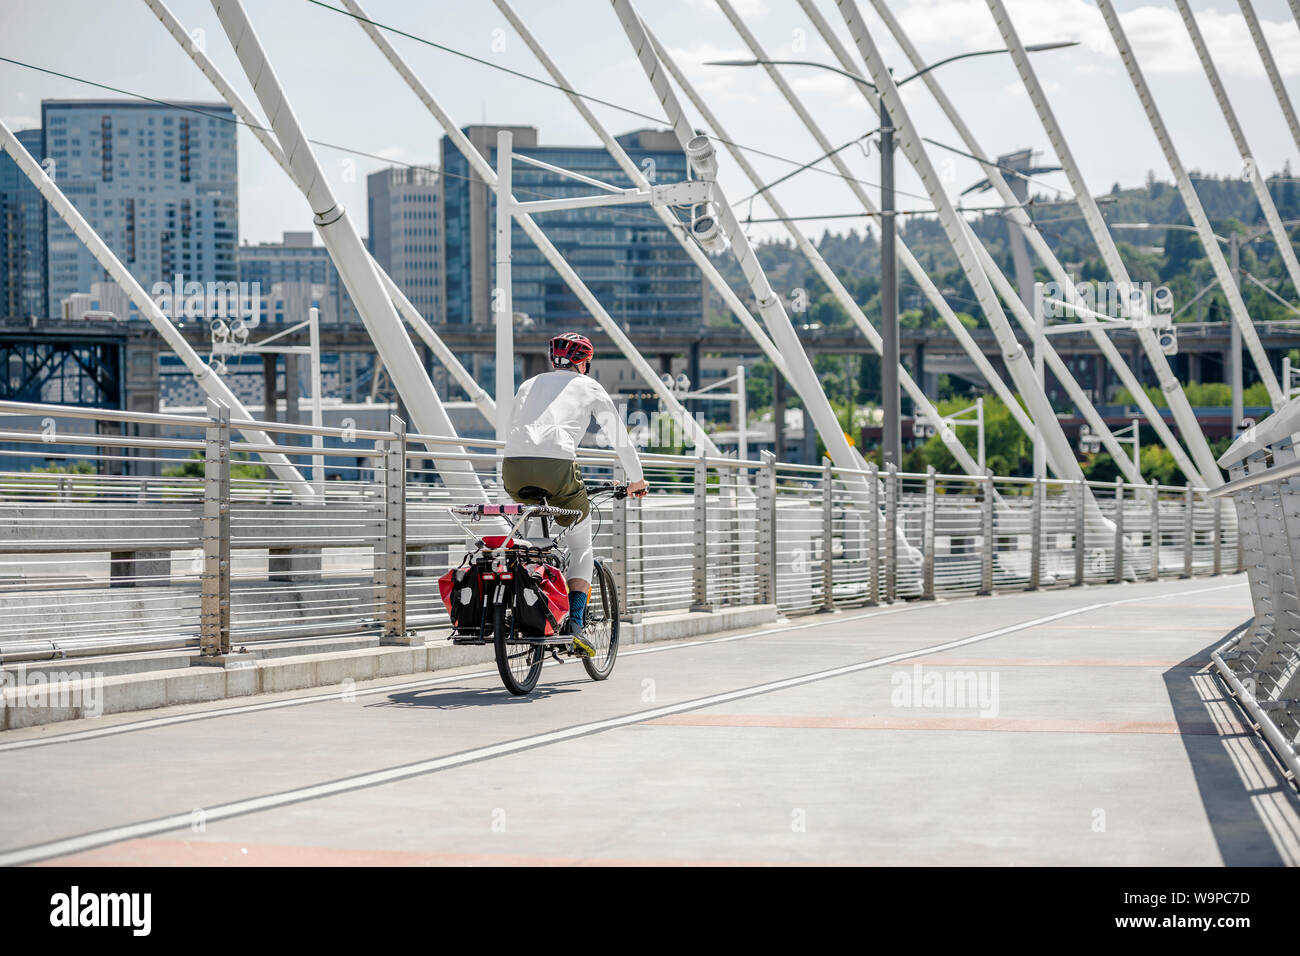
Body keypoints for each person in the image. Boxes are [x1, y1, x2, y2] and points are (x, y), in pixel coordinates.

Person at [502, 332, 648, 656]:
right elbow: (619, 438)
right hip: (556, 469)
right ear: (585, 362)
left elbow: (512, 429)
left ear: (553, 360)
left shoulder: (528, 385)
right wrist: (636, 480)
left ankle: (533, 600)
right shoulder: (589, 386)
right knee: (581, 544)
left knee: (535, 537)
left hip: (513, 470)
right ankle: (576, 625)